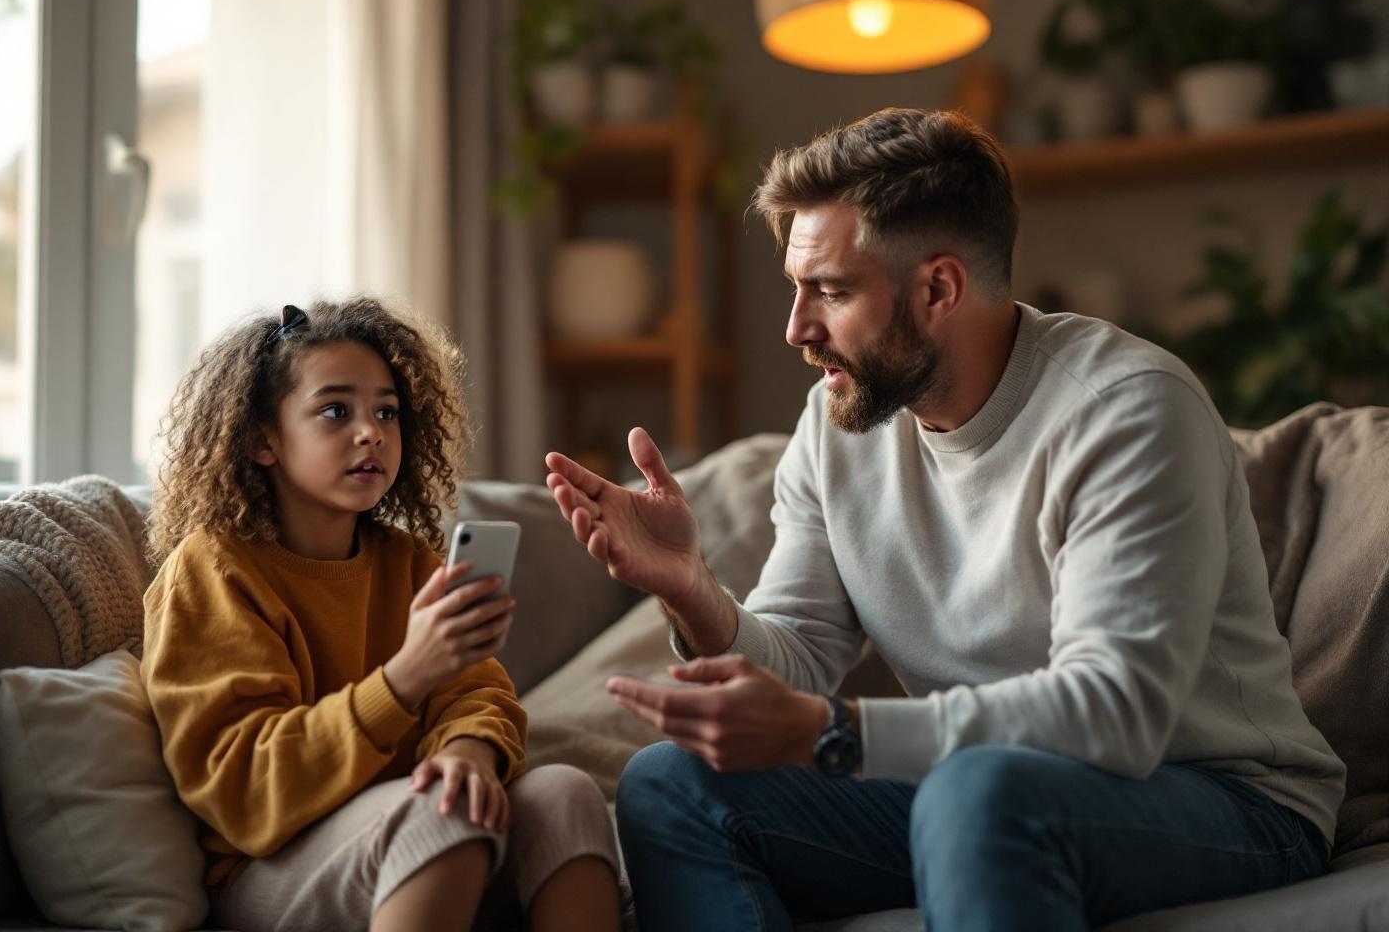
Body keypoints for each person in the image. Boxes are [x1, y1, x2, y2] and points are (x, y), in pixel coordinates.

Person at [544, 109, 1344, 932]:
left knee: (981, 792)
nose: (796, 329)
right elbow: (800, 658)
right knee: (669, 783)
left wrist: (836, 734)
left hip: (1225, 801)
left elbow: (1118, 713)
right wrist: (692, 591)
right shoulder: (838, 425)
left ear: (938, 288)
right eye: (796, 287)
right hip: (978, 791)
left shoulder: (1126, 411)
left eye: (831, 290)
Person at [143, 297, 620, 932]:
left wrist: (471, 751)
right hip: (269, 864)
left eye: (386, 412)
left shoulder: (408, 564)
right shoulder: (214, 571)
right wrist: (403, 681)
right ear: (263, 439)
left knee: (566, 794)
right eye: (335, 410)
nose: (370, 432)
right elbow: (245, 787)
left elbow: (477, 694)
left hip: (409, 834)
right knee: (441, 810)